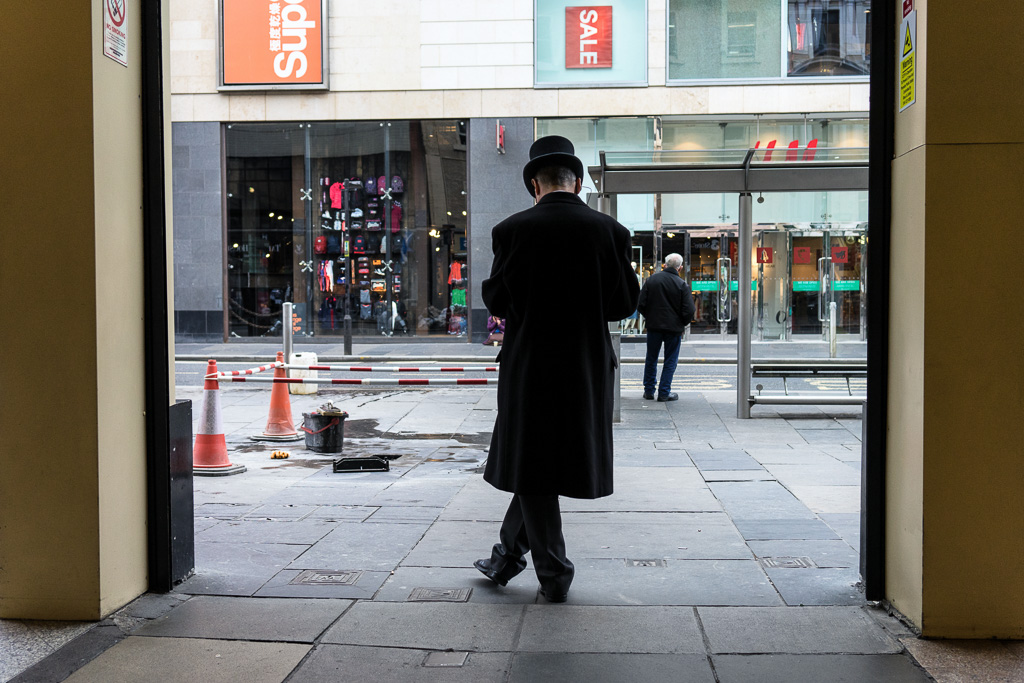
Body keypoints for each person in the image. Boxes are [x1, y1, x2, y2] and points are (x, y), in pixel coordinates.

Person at [474, 135, 640, 603]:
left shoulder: (512, 231)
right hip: (586, 365)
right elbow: (623, 305)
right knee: (544, 462)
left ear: (534, 184)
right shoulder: (610, 231)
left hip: (530, 363)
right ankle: (505, 556)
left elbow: (498, 300)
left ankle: (554, 572)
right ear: (580, 181)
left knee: (531, 458)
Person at [637, 253, 696, 402]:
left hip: (654, 327)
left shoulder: (651, 281)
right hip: (674, 329)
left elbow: (640, 304)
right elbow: (689, 310)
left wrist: (650, 317)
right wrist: (681, 323)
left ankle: (649, 391)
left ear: (664, 265)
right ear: (680, 268)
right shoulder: (682, 284)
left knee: (651, 358)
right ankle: (664, 392)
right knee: (670, 360)